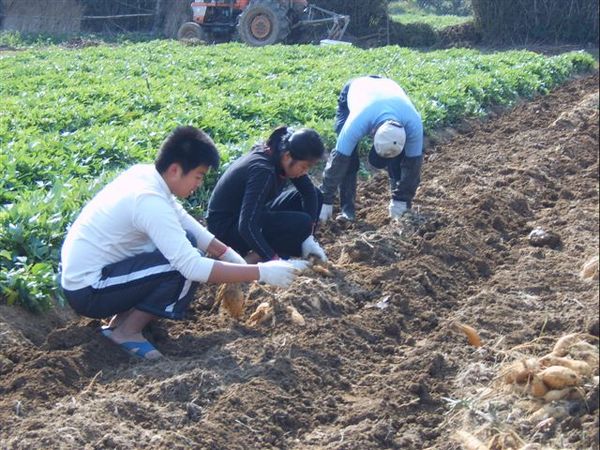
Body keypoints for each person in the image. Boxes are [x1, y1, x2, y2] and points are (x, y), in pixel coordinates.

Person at [60, 126, 308, 360]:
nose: (199, 184)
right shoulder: (148, 201)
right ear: (175, 170)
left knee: (186, 242)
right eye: (198, 176)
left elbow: (180, 217)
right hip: (90, 290)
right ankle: (126, 332)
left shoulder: (147, 175)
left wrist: (224, 252)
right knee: (179, 268)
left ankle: (119, 323)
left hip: (101, 276)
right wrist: (260, 272)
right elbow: (191, 267)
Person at [206, 126, 328, 264]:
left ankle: (278, 249)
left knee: (316, 196)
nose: (304, 172)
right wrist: (274, 260)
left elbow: (309, 192)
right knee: (301, 223)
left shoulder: (279, 156)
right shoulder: (263, 171)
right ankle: (250, 261)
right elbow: (246, 225)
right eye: (304, 167)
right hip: (225, 229)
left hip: (247, 215)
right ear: (288, 156)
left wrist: (308, 239)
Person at [319, 75, 424, 222]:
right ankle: (347, 211)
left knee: (397, 156)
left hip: (391, 90)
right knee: (349, 157)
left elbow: (413, 166)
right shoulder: (358, 121)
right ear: (373, 132)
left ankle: (399, 206)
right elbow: (339, 159)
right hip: (356, 88)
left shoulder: (414, 125)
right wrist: (325, 199)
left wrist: (402, 198)